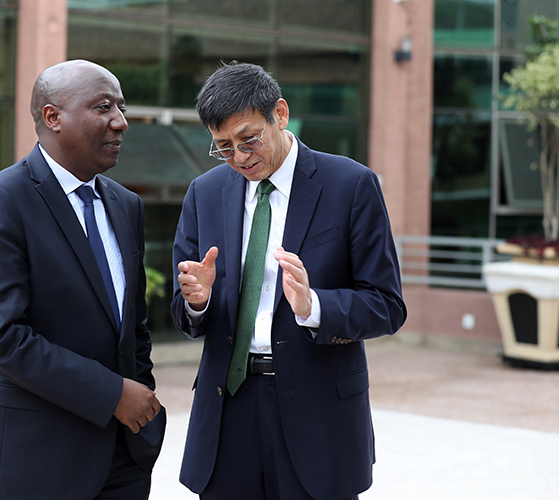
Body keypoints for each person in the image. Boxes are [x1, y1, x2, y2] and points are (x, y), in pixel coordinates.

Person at [171, 62, 407, 500]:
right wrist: (196, 302)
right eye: (223, 147)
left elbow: (387, 305)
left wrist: (314, 306)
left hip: (318, 413)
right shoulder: (204, 193)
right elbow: (184, 314)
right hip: (228, 409)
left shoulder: (351, 185)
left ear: (279, 114)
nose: (239, 158)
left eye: (248, 140)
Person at [0, 59, 165, 500]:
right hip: (28, 466)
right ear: (52, 117)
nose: (121, 122)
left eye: (121, 108)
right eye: (104, 107)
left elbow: (132, 327)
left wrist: (142, 406)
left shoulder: (126, 205)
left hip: (122, 463)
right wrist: (113, 394)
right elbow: (0, 337)